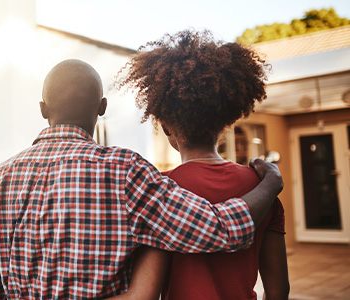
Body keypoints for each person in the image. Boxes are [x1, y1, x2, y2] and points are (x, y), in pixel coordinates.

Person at [0, 58, 283, 299]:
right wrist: (270, 182)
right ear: (102, 107)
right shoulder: (125, 173)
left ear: (43, 110)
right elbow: (219, 229)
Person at [112, 29, 289, 300]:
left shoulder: (158, 191)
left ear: (165, 127)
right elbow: (278, 290)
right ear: (226, 123)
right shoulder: (262, 188)